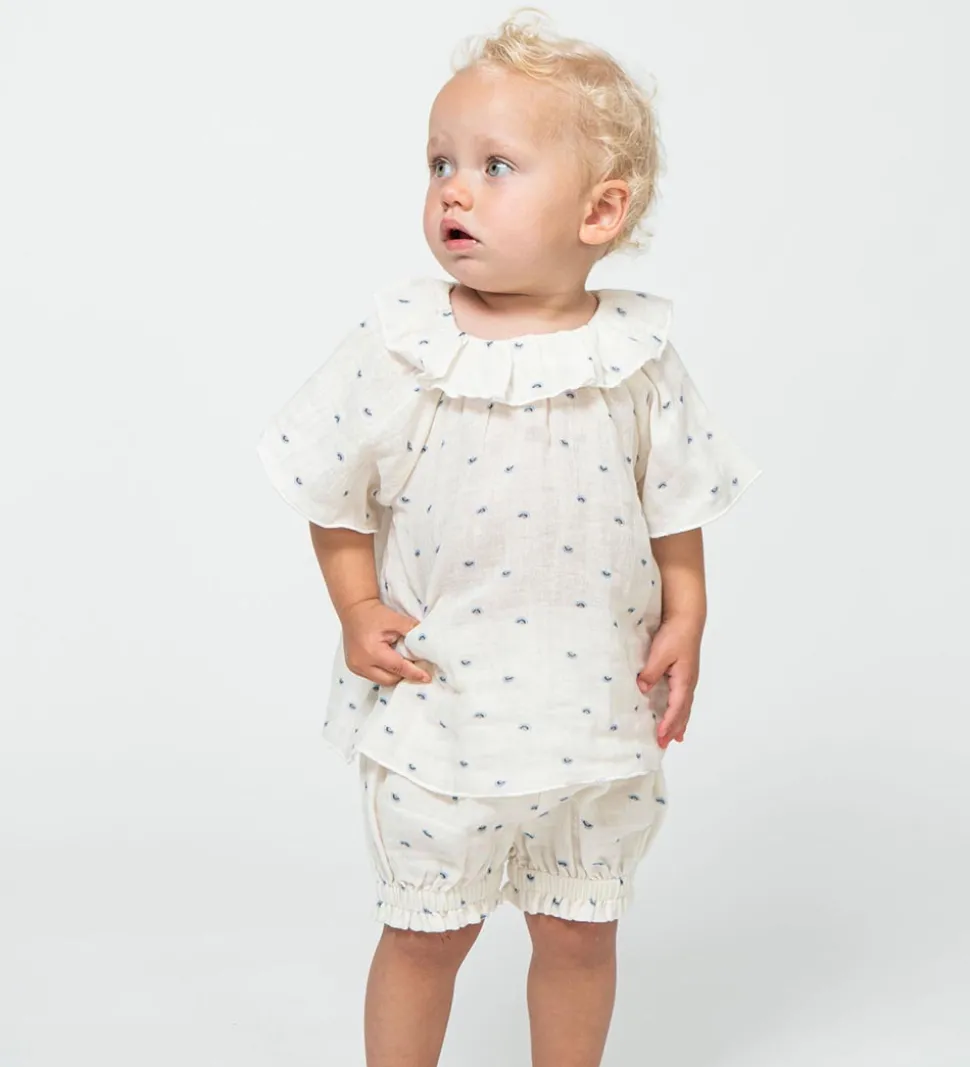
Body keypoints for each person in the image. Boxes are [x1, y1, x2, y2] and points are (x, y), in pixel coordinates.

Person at [256, 9, 761, 1066]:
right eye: (440, 162)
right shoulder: (403, 346)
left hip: (594, 713)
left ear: (600, 209)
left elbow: (675, 500)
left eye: (495, 166)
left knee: (579, 933)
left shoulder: (635, 357)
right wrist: (355, 604)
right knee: (423, 936)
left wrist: (688, 611)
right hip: (440, 711)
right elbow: (330, 486)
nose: (454, 189)